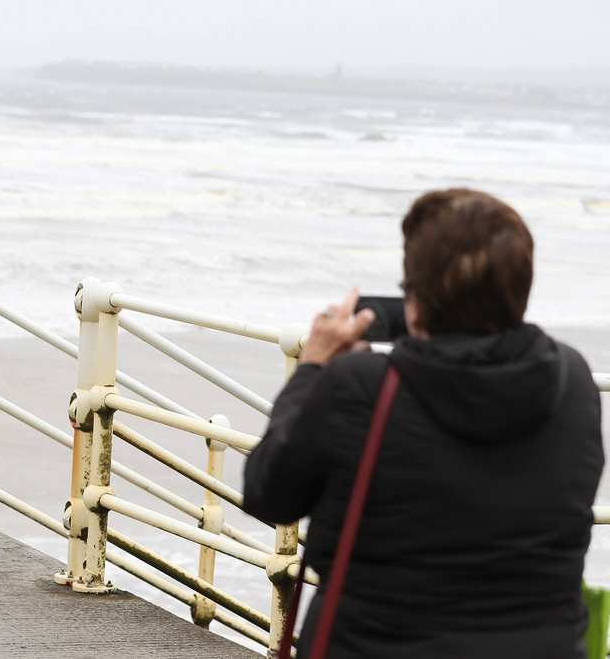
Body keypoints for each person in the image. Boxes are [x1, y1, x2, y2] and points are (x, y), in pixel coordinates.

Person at [244, 188, 603, 658]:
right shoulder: (571, 379)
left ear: (414, 302)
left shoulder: (361, 385)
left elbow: (268, 492)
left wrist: (312, 371)